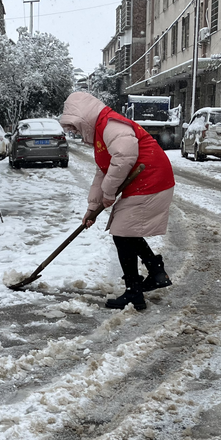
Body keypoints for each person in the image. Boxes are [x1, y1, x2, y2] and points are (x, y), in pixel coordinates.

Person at [59, 92, 175, 312]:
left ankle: (135, 291)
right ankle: (155, 273)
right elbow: (102, 172)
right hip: (146, 181)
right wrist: (92, 208)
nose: (73, 131)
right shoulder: (101, 133)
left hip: (150, 180)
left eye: (74, 126)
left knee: (122, 232)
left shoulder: (111, 125)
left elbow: (124, 156)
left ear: (83, 117)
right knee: (126, 231)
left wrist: (109, 193)